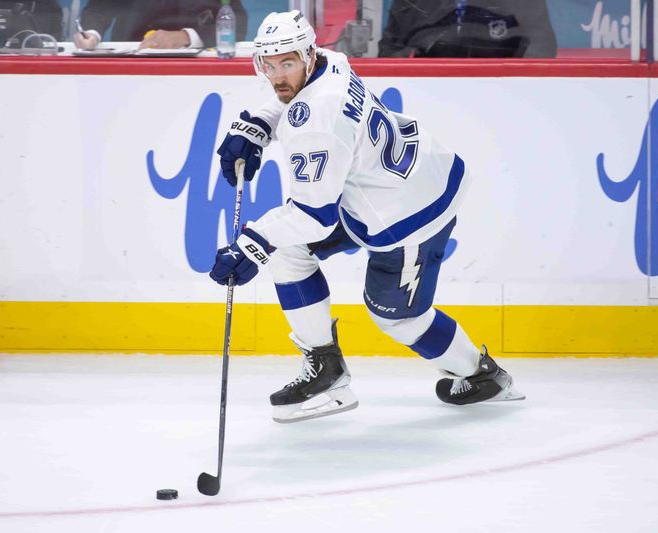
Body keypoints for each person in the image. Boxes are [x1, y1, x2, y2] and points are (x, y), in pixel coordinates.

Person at [209, 10, 525, 424]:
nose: (277, 75)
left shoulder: (316, 124)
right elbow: (291, 94)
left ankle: (484, 377)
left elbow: (315, 215)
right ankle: (326, 369)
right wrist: (257, 124)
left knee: (397, 318)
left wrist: (251, 244)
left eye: (287, 63)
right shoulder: (330, 61)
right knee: (286, 250)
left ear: (306, 55)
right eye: (269, 65)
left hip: (412, 211)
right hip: (387, 186)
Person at [379, 0, 557, 58]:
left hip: (502, 93)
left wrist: (511, 81)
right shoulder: (413, 3)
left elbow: (541, 46)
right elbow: (390, 49)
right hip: (429, 95)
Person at [73, 0, 247, 50]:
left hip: (193, 70)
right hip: (130, 66)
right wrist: (91, 34)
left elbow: (237, 21)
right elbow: (99, 7)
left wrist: (187, 36)